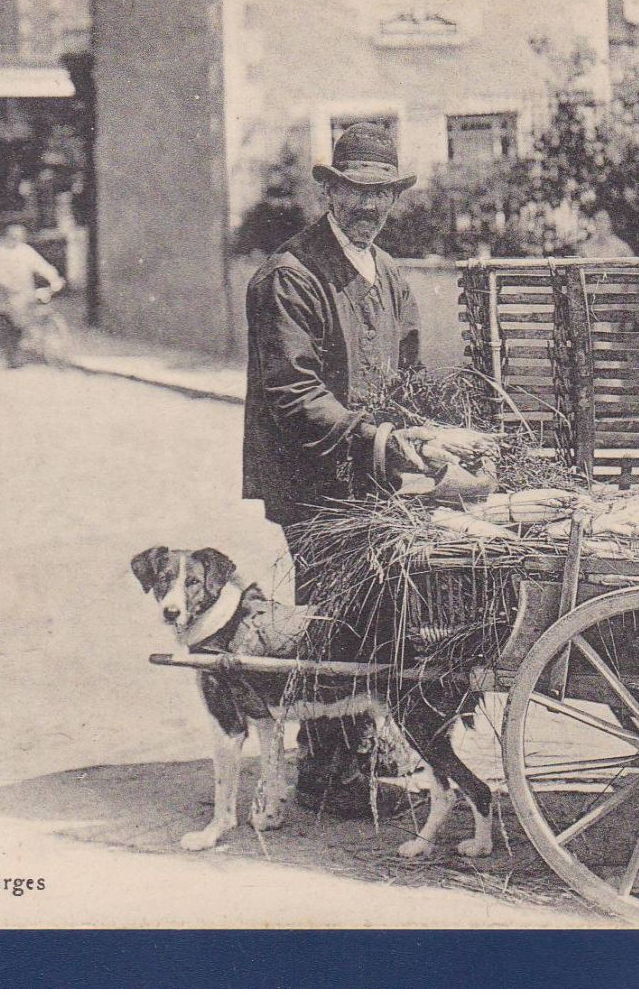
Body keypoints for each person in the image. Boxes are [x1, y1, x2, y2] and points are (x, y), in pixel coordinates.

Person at [242, 122, 482, 819]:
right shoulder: (290, 276)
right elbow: (294, 393)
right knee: (327, 615)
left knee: (374, 610)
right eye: (354, 193)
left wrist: (428, 435)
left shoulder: (392, 275)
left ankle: (356, 739)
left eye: (381, 195)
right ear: (327, 190)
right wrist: (381, 439)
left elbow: (405, 380)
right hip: (312, 478)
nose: (368, 208)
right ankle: (326, 767)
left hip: (368, 477)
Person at [0, 223, 65, 367]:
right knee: (10, 323)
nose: (16, 240)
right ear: (7, 237)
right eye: (13, 237)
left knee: (32, 316)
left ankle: (40, 349)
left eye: (19, 237)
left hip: (25, 291)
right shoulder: (0, 252)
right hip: (8, 294)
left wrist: (54, 278)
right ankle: (12, 357)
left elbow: (41, 265)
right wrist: (9, 286)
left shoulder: (26, 251)